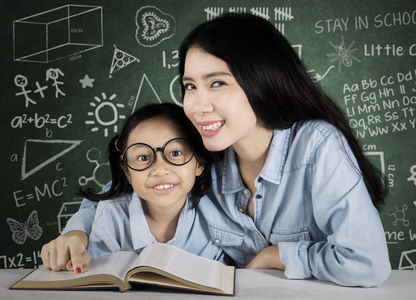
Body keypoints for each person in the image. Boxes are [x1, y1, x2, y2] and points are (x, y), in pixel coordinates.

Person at [44, 13, 391, 287]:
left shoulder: (317, 145)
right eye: (190, 86)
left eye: (218, 83)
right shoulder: (202, 154)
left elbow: (366, 264)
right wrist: (77, 231)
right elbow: (124, 189)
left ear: (262, 80)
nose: (197, 104)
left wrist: (278, 256)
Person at [40, 103, 225, 274]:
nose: (160, 169)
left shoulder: (216, 214)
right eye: (143, 158)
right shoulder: (111, 217)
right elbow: (95, 279)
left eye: (175, 153)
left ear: (199, 163)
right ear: (127, 172)